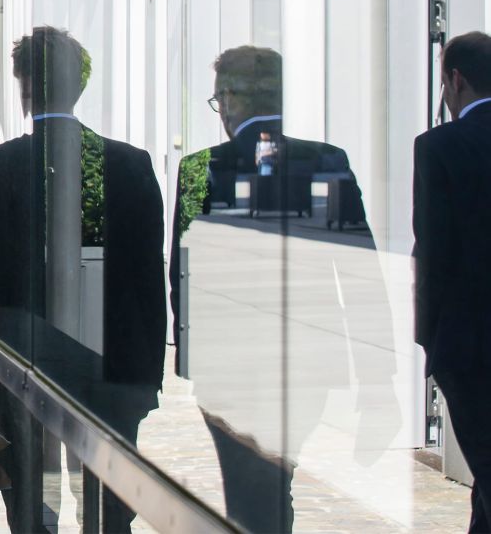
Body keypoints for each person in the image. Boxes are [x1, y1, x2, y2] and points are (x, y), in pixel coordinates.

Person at [0, 26, 166, 533]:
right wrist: (146, 379)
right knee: (109, 515)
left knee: (30, 510)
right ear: (79, 87)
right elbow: (148, 282)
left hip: (23, 370)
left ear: (22, 86)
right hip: (112, 376)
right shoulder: (131, 165)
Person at [170, 45, 397, 533]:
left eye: (217, 101)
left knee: (250, 491)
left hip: (229, 367)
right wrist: (378, 380)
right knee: (274, 481)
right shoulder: (326, 160)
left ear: (229, 99)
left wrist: (190, 358)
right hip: (305, 362)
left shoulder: (198, 169)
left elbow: (181, 276)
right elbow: (360, 273)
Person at [414, 31, 491, 533]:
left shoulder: (439, 145)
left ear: (454, 80)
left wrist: (429, 341)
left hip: (469, 346)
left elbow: (433, 253)